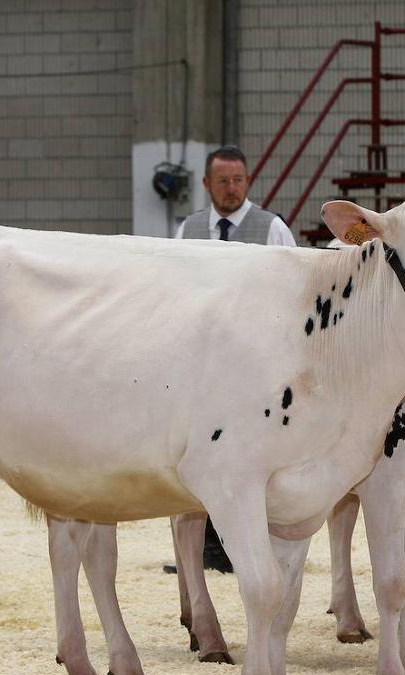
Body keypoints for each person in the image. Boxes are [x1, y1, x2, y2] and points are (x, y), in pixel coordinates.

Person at [171, 145, 296, 572]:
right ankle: (203, 547)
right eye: (222, 180)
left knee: (246, 456)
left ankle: (241, 545)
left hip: (255, 367)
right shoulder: (187, 231)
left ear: (248, 181)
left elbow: (292, 296)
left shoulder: (273, 229)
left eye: (238, 179)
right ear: (206, 184)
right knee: (198, 455)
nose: (231, 188)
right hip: (200, 367)